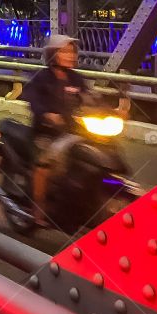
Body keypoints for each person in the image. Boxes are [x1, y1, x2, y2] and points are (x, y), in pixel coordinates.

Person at [21, 35, 90, 224]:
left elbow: (90, 99)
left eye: (72, 51)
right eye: (65, 51)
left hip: (72, 132)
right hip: (45, 132)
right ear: (53, 54)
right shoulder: (41, 77)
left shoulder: (76, 78)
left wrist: (113, 111)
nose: (70, 55)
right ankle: (38, 206)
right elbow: (32, 99)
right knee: (44, 164)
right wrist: (47, 114)